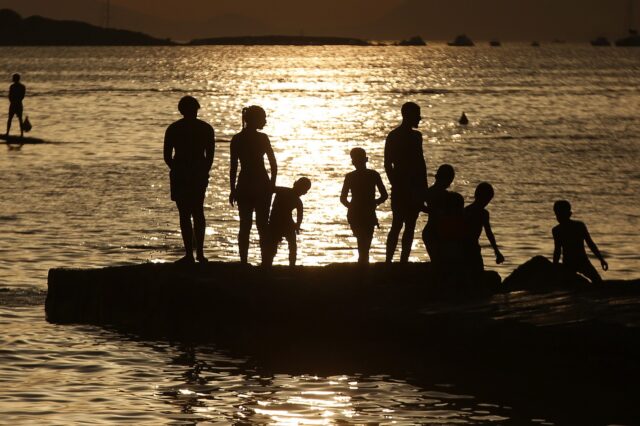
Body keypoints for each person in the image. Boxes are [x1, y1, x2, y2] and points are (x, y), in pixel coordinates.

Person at [164, 96, 215, 264]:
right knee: (198, 211)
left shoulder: (174, 128)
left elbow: (167, 156)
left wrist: (177, 169)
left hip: (181, 174)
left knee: (184, 214)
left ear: (181, 110)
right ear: (196, 109)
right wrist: (203, 171)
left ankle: (189, 255)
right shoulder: (206, 128)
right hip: (197, 174)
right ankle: (199, 253)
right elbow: (210, 156)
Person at [229, 106, 278, 264]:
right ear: (255, 119)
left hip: (244, 184)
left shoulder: (237, 139)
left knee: (245, 225)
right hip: (262, 184)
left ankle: (244, 261)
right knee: (263, 225)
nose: (265, 121)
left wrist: (233, 189)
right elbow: (273, 164)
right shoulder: (263, 138)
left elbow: (233, 167)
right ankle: (265, 262)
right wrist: (272, 184)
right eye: (263, 118)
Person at [384, 102, 428, 263]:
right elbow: (388, 164)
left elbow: (421, 164)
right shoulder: (394, 136)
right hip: (402, 187)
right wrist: (395, 184)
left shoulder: (417, 137)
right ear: (408, 116)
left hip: (415, 188)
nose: (420, 118)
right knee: (397, 225)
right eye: (417, 115)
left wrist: (424, 190)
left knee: (410, 226)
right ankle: (388, 261)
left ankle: (403, 260)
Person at [340, 148, 388, 264]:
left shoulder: (350, 176)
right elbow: (384, 195)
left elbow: (343, 199)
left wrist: (352, 207)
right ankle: (363, 266)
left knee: (362, 241)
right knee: (365, 242)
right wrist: (374, 203)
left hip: (356, 213)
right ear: (366, 159)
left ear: (353, 162)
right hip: (368, 212)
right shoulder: (373, 175)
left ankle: (362, 267)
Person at [552, 200, 608, 283]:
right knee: (596, 282)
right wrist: (555, 267)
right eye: (557, 214)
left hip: (581, 262)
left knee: (597, 282)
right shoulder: (557, 230)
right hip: (569, 263)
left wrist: (601, 259)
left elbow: (590, 243)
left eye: (560, 214)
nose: (558, 217)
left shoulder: (578, 226)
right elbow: (557, 250)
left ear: (569, 214)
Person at [264, 177, 311, 266]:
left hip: (280, 221)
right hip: (278, 222)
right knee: (282, 245)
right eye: (305, 189)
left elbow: (299, 217)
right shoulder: (284, 192)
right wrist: (297, 225)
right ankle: (272, 264)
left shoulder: (286, 193)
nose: (305, 192)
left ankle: (287, 265)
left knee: (287, 245)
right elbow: (299, 217)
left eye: (306, 190)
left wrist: (297, 225)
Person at [464, 182, 505, 276]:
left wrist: (497, 251)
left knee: (476, 272)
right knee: (474, 273)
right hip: (468, 247)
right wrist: (496, 251)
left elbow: (489, 233)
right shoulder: (470, 211)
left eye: (488, 200)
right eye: (486, 199)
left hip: (471, 246)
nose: (486, 203)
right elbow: (489, 233)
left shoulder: (475, 212)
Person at [421, 164, 455, 265]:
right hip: (433, 232)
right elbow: (420, 205)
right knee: (438, 261)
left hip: (440, 232)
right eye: (449, 180)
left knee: (440, 261)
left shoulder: (444, 195)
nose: (449, 183)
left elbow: (420, 205)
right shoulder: (434, 193)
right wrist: (433, 211)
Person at [6, 73, 26, 138]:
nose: (13, 79)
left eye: (13, 78)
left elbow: (11, 95)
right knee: (14, 119)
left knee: (14, 119)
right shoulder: (20, 86)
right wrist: (14, 101)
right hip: (17, 104)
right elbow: (21, 96)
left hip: (15, 104)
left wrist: (14, 102)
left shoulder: (14, 86)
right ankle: (21, 134)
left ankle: (8, 133)